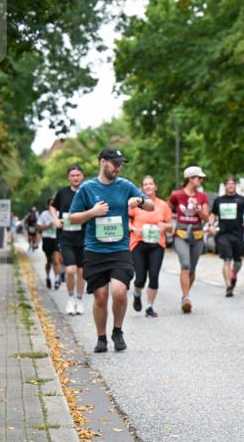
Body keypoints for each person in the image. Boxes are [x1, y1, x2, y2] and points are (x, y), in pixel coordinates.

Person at [67, 149, 153, 353]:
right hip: (95, 250)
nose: (118, 167)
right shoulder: (87, 188)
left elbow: (149, 206)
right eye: (114, 163)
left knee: (119, 292)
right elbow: (72, 217)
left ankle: (117, 330)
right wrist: (92, 212)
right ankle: (101, 337)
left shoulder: (125, 185)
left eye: (120, 164)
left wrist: (139, 201)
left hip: (119, 248)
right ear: (102, 162)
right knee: (101, 296)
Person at [129, 175, 173, 318]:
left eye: (150, 184)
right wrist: (134, 229)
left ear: (155, 187)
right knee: (140, 278)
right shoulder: (135, 204)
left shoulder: (163, 205)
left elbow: (170, 226)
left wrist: (163, 226)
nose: (148, 186)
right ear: (142, 188)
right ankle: (137, 294)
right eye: (145, 184)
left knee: (153, 276)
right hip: (138, 243)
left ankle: (149, 306)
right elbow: (126, 221)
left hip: (156, 244)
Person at [167, 166, 210, 312]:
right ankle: (186, 297)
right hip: (181, 233)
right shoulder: (177, 195)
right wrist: (171, 219)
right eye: (199, 177)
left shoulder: (202, 196)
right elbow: (168, 207)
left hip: (197, 234)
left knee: (192, 269)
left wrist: (198, 209)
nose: (201, 180)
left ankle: (186, 295)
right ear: (191, 179)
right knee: (185, 265)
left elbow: (206, 217)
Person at [51, 164, 87, 315]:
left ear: (82, 176)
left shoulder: (87, 192)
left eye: (78, 175)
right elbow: (53, 207)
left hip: (84, 237)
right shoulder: (63, 193)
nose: (75, 178)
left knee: (82, 272)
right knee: (71, 270)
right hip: (66, 237)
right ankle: (71, 298)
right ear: (68, 177)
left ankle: (79, 299)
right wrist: (55, 219)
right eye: (72, 175)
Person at [211, 177, 244, 297]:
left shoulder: (242, 200)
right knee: (226, 259)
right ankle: (228, 285)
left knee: (238, 262)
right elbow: (213, 214)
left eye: (232, 184)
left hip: (238, 234)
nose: (230, 186)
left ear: (235, 186)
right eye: (228, 184)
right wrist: (211, 224)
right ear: (225, 186)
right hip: (223, 234)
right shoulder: (219, 200)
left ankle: (233, 274)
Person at [37, 198, 62, 289]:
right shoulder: (44, 214)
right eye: (51, 204)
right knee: (49, 261)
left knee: (56, 259)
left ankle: (57, 280)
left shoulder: (59, 213)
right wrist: (48, 225)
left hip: (56, 239)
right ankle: (47, 278)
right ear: (47, 206)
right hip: (47, 239)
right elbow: (38, 227)